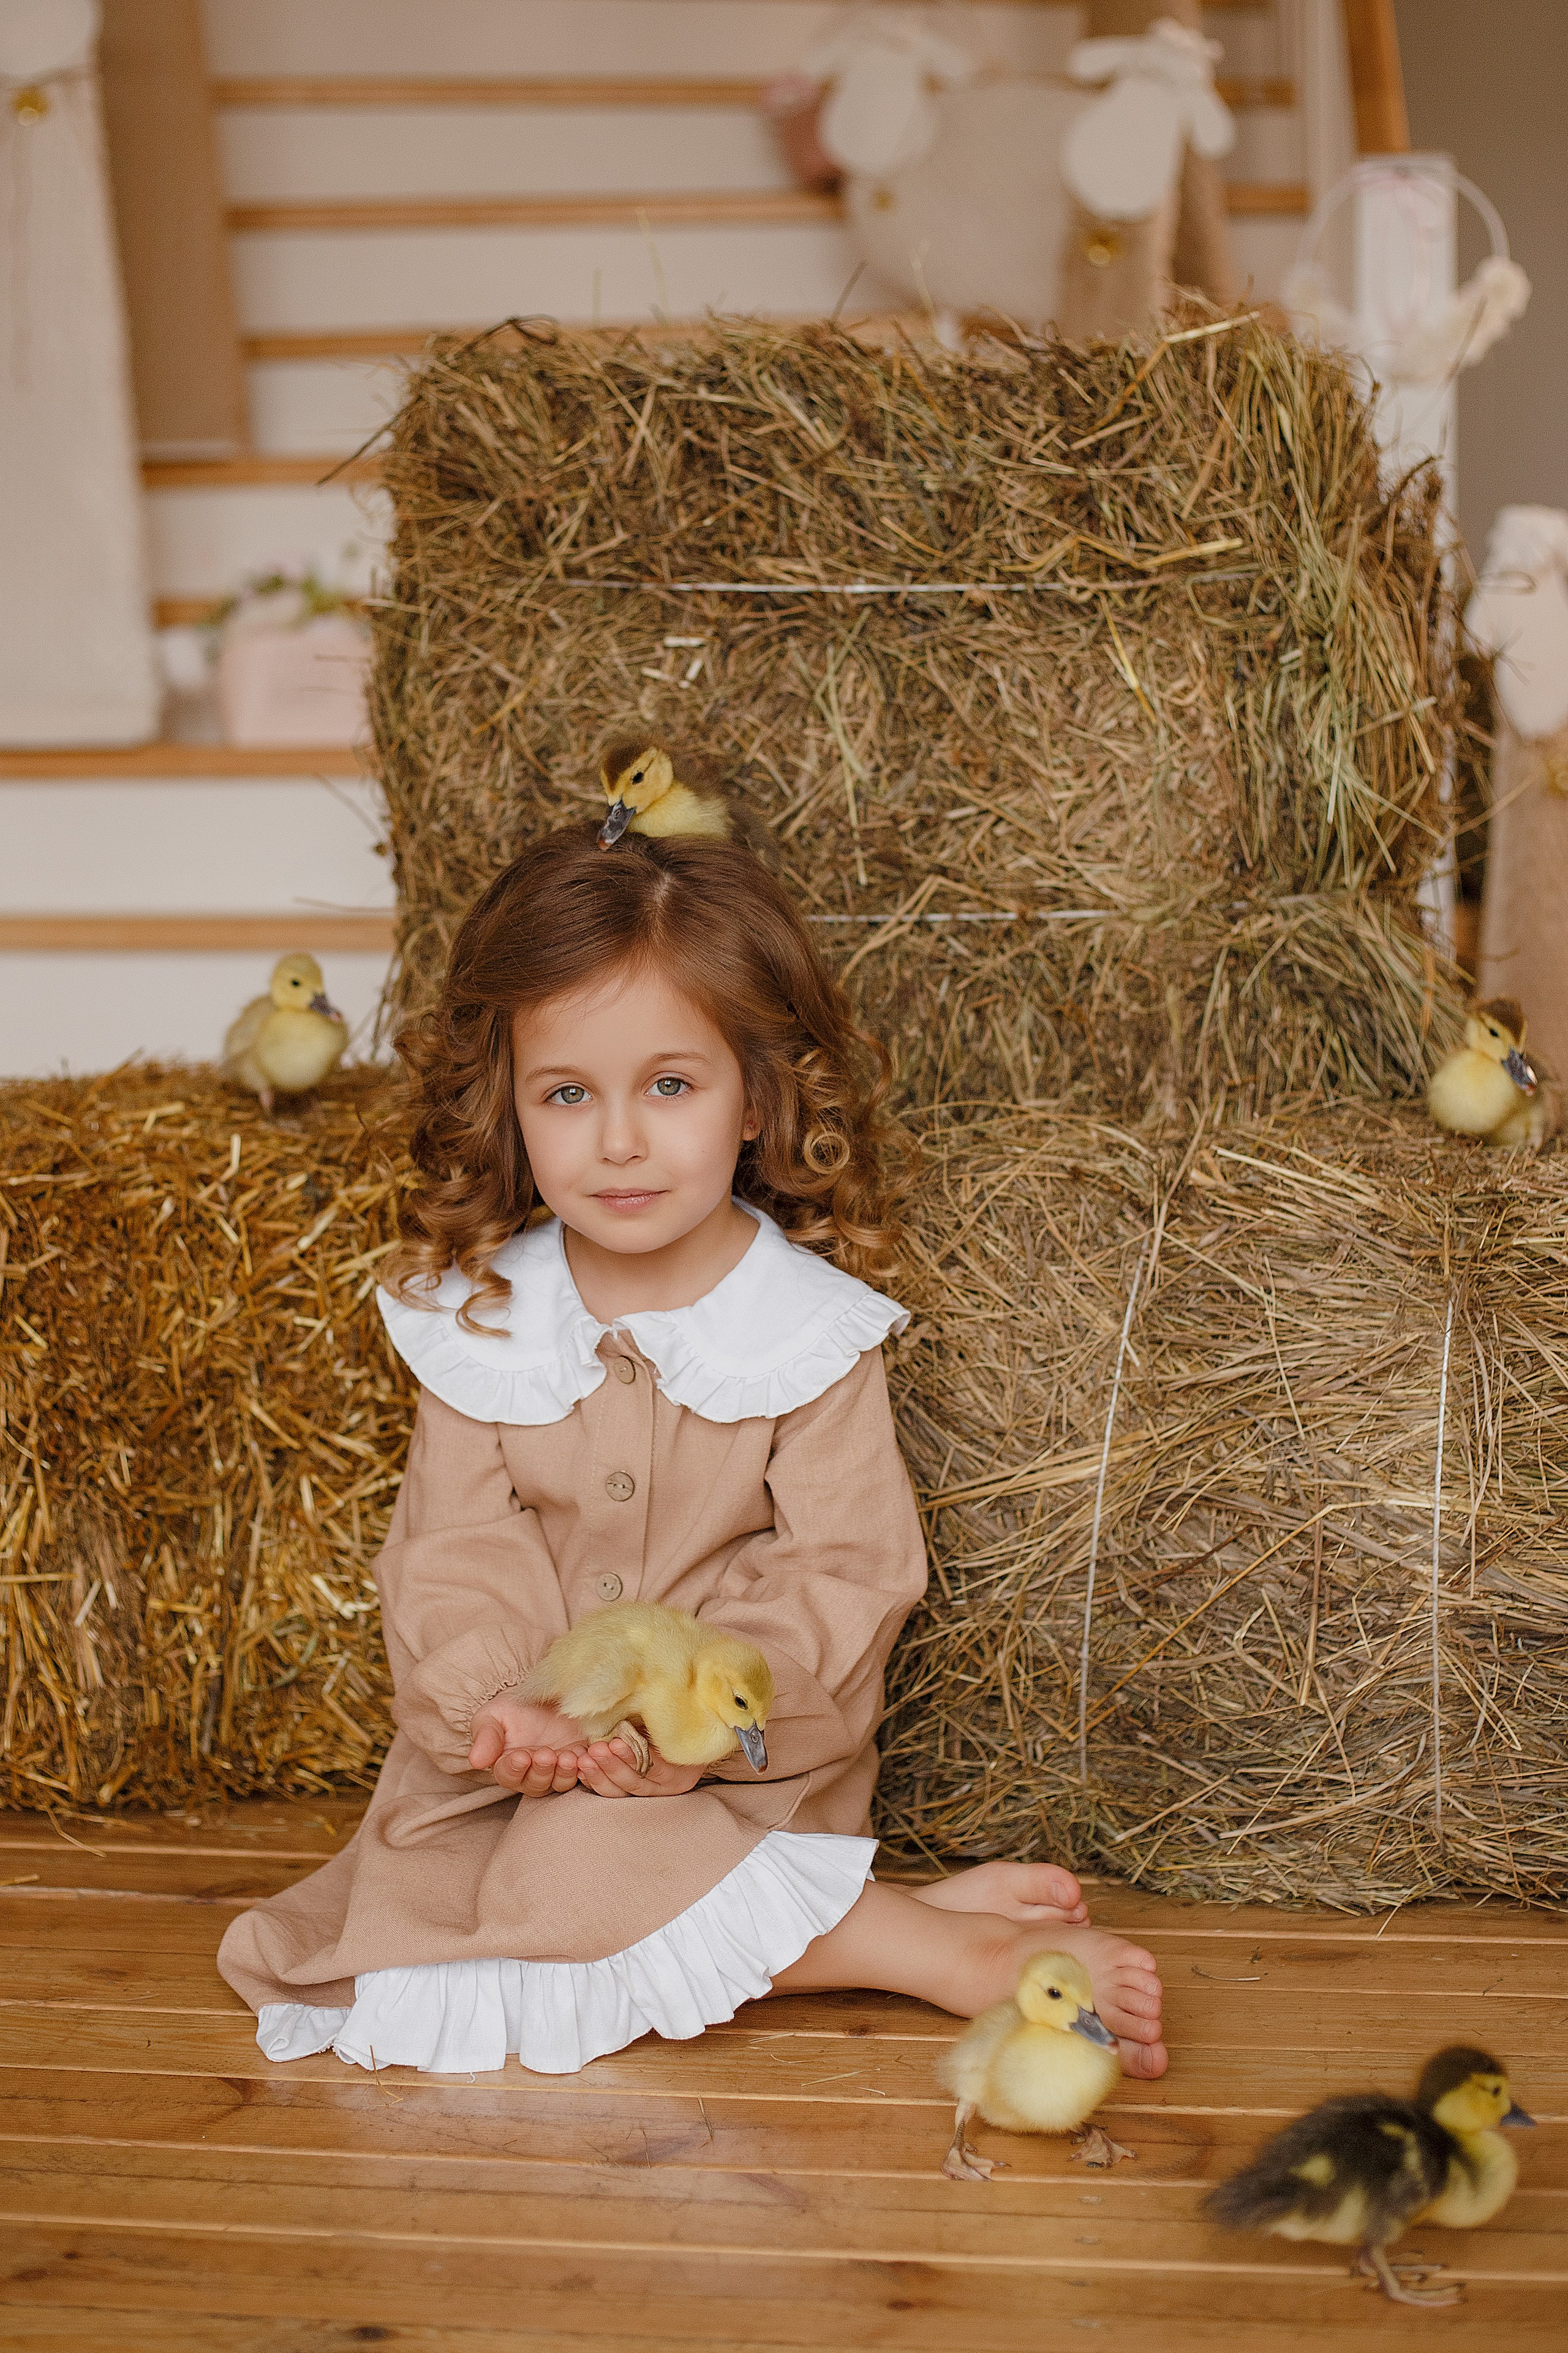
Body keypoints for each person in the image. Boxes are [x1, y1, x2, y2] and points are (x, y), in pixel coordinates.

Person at [217, 827, 1167, 2080]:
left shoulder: (806, 1333)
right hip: (506, 1776)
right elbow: (453, 1548)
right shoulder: (482, 1320)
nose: (618, 1139)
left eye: (670, 1086)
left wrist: (698, 1733)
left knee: (578, 1872)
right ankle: (877, 1918)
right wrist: (500, 1702)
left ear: (757, 1098)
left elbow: (843, 1571)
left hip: (733, 1782)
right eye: (567, 1094)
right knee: (423, 1921)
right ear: (508, 1104)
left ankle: (945, 1955)